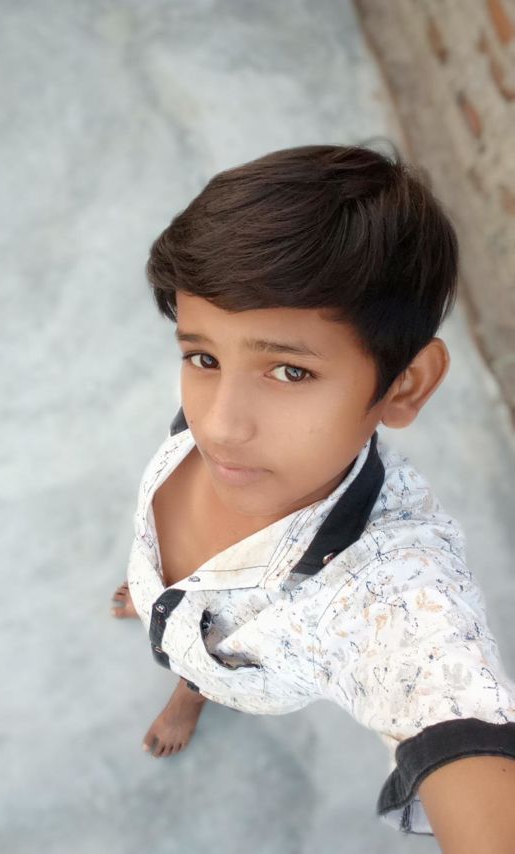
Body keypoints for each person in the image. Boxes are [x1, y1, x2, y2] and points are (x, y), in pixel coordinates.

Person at [110, 143, 515, 846]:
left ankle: (192, 692)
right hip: (168, 589)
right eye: (203, 356)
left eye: (289, 372)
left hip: (244, 673)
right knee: (168, 611)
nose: (219, 426)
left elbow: (455, 712)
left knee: (215, 658)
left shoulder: (391, 582)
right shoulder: (215, 428)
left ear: (406, 384)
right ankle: (155, 597)